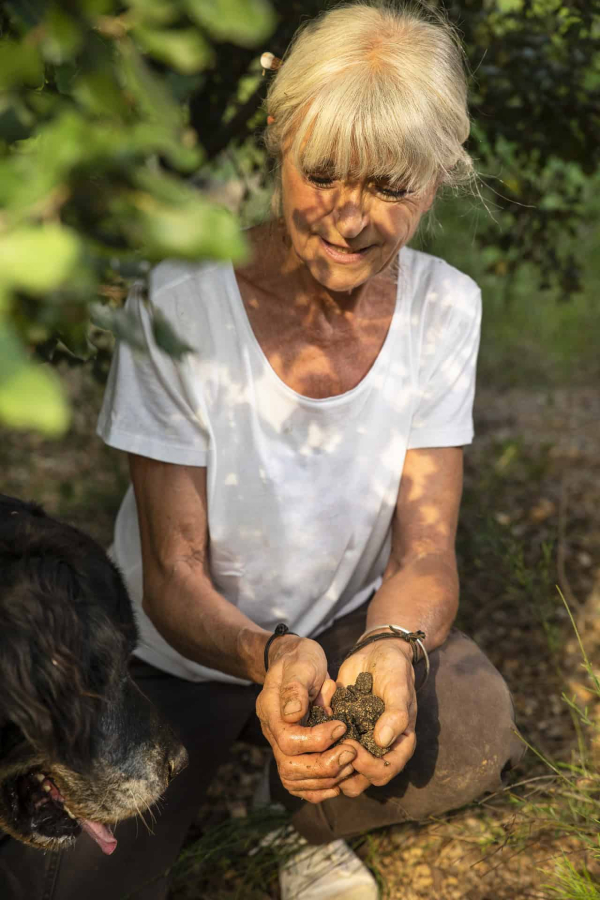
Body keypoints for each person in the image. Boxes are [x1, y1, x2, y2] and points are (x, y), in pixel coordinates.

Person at [0, 2, 524, 899]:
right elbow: (171, 571)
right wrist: (270, 656)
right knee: (69, 882)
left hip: (343, 630)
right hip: (176, 651)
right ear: (278, 138)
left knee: (468, 728)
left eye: (392, 186)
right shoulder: (179, 299)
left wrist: (393, 646)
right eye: (323, 173)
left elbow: (425, 548)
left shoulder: (447, 307)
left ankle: (306, 823)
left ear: (437, 180)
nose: (351, 220)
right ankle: (231, 769)